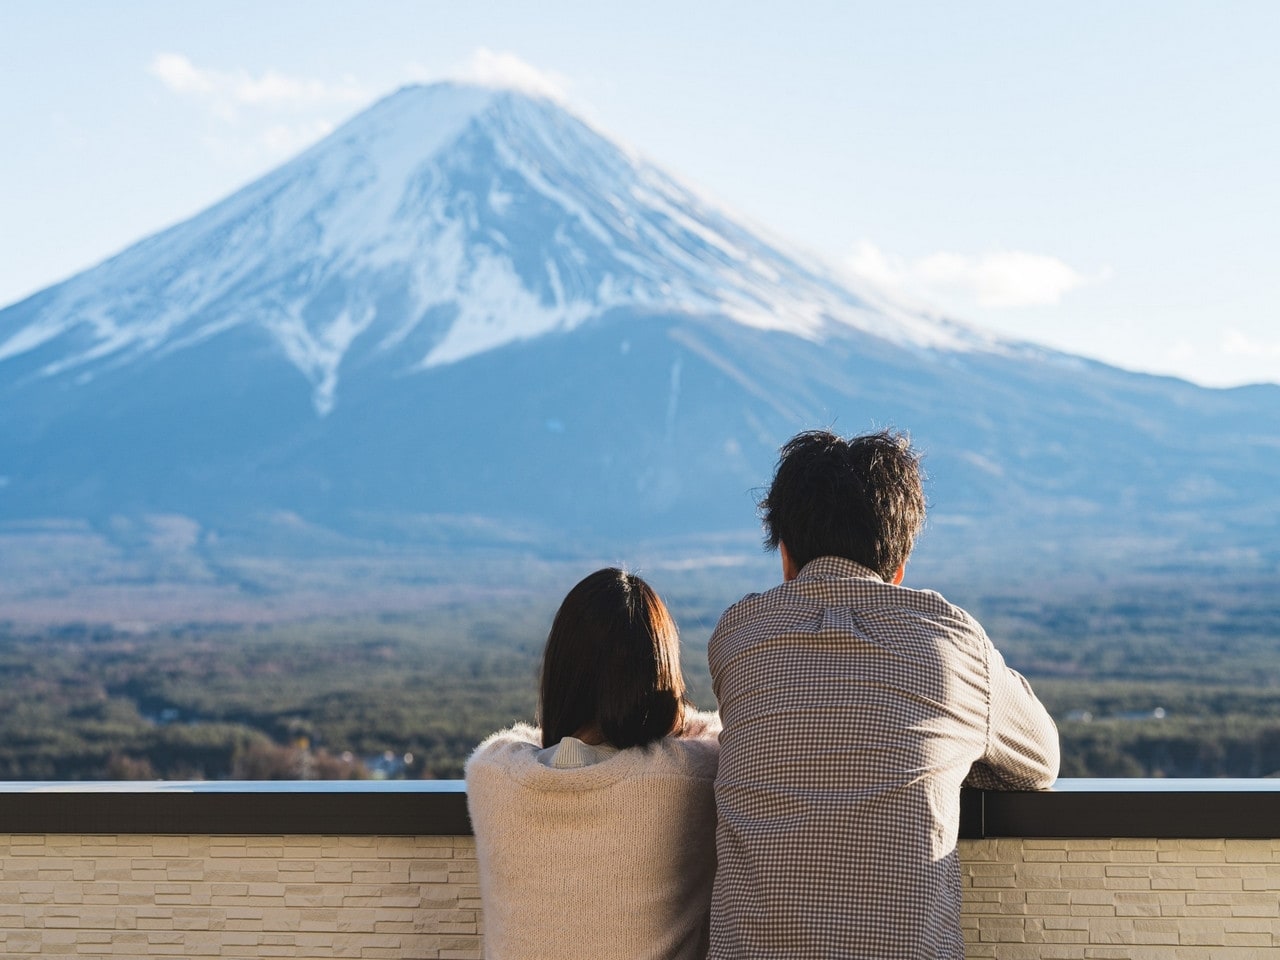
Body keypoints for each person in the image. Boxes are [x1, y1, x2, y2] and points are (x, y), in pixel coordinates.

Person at [707, 429, 1059, 959]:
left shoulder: (739, 637)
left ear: (785, 556)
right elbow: (1041, 760)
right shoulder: (951, 642)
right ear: (900, 564)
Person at [466, 567, 721, 960]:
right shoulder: (690, 773)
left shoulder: (493, 774)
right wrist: (667, 714)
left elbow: (519, 740)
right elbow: (717, 733)